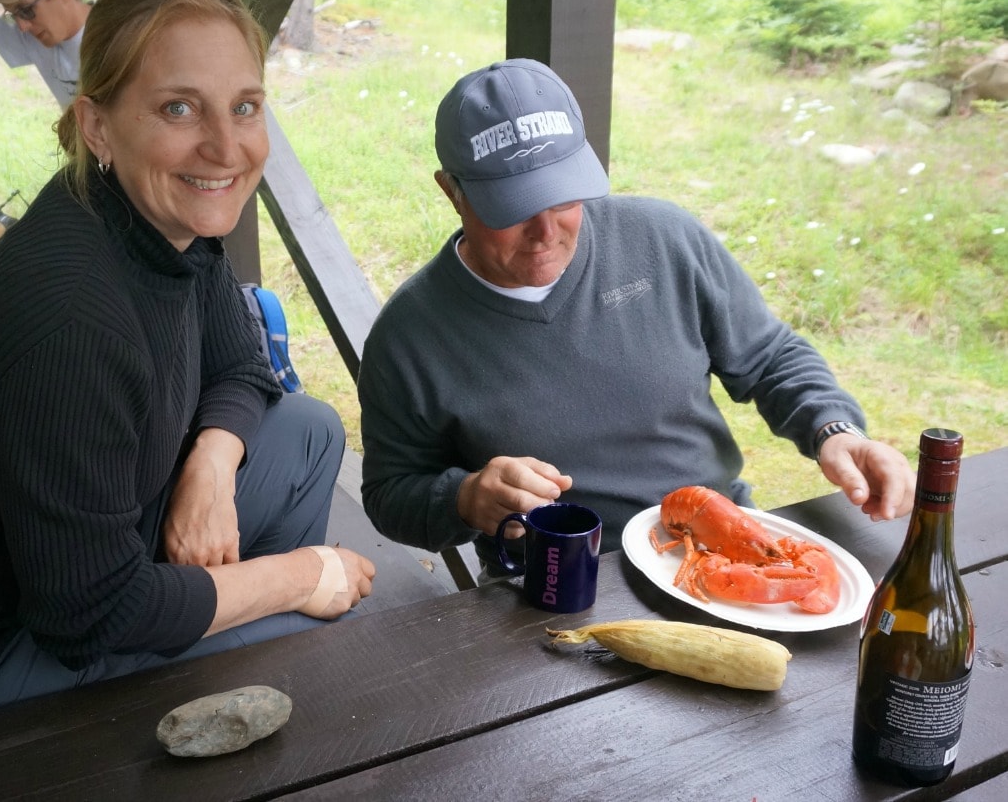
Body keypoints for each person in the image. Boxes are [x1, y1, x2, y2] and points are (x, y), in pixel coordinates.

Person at [0, 0, 375, 734]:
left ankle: (207, 675)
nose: (225, 146)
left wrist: (210, 472)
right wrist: (293, 579)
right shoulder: (68, 318)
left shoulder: (161, 222)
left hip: (68, 573)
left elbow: (243, 368)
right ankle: (191, 705)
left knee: (307, 430)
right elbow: (89, 615)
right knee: (320, 624)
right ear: (96, 125)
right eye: (178, 108)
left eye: (245, 106)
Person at [358, 58, 916, 580]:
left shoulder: (663, 240)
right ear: (451, 191)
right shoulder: (410, 336)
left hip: (722, 541)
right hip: (554, 579)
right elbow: (390, 496)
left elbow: (769, 357)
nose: (546, 232)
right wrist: (463, 498)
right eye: (513, 208)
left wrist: (834, 429)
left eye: (561, 197)